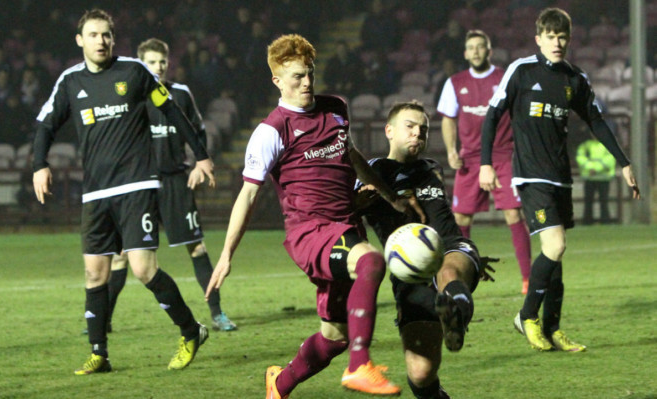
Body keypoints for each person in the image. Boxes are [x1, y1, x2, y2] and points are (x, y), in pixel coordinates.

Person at [205, 34, 425, 398]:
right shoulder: (271, 130)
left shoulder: (335, 107)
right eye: (296, 77)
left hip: (346, 227)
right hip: (310, 233)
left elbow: (351, 155)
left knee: (335, 336)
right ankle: (360, 367)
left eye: (309, 74)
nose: (307, 83)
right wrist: (227, 254)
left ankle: (280, 384)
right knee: (371, 262)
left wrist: (389, 197)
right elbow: (247, 194)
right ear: (277, 80)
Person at [32, 9, 215, 375]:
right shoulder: (70, 81)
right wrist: (40, 164)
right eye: (94, 34)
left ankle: (190, 330)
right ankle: (99, 353)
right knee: (95, 275)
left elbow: (175, 112)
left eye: (107, 35)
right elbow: (46, 124)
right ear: (80, 40)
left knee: (143, 269)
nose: (101, 41)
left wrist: (203, 155)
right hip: (96, 192)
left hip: (137, 185)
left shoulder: (133, 71)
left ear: (113, 39)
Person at [479, 7, 640, 352]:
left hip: (559, 177)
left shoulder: (575, 79)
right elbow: (492, 116)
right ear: (538, 39)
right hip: (530, 175)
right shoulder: (521, 71)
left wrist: (623, 162)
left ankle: (552, 328)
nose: (557, 42)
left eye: (562, 36)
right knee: (555, 246)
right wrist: (485, 163)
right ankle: (526, 316)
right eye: (550, 36)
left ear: (569, 39)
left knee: (555, 257)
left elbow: (596, 121)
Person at [356, 100, 494, 399]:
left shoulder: (432, 167)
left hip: (451, 247)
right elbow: (349, 210)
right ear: (389, 130)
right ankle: (452, 306)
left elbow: (442, 218)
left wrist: (470, 261)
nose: (418, 133)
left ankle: (455, 316)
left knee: (446, 269)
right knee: (421, 374)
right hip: (408, 273)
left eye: (423, 129)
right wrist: (359, 205)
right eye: (410, 126)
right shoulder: (373, 173)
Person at [102, 38, 236, 333]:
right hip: (140, 185)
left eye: (162, 62)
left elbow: (198, 132)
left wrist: (198, 163)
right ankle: (104, 320)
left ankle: (217, 313)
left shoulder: (181, 94)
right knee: (121, 254)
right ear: (141, 64)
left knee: (197, 248)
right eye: (151, 62)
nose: (158, 67)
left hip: (175, 180)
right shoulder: (131, 97)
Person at [437, 29, 532, 295]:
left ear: (489, 51)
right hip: (469, 158)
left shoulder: (504, 78)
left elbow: (520, 113)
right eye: (472, 47)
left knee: (514, 213)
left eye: (481, 46)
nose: (476, 51)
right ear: (466, 53)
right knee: (461, 217)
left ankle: (528, 278)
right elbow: (448, 118)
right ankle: (462, 275)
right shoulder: (455, 82)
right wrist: (451, 151)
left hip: (502, 155)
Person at [576, 136, 616, 224]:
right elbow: (580, 157)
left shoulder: (607, 145)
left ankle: (605, 221)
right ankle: (588, 221)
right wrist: (591, 168)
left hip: (603, 178)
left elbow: (610, 159)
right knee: (588, 201)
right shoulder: (586, 145)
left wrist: (595, 169)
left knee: (604, 201)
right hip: (590, 178)